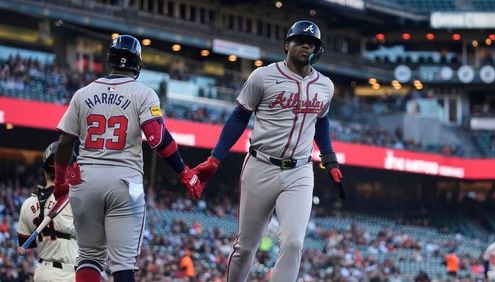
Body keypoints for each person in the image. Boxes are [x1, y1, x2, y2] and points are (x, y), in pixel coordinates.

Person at [193, 20, 345, 282]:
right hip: (260, 166)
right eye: (300, 40)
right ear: (287, 44)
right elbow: (239, 117)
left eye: (312, 43)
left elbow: (321, 121)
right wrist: (215, 158)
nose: (306, 45)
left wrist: (329, 158)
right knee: (246, 247)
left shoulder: (325, 86)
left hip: (299, 170)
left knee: (294, 243)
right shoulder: (262, 76)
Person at [53, 34, 203, 282]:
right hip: (124, 183)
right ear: (138, 64)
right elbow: (158, 139)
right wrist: (184, 172)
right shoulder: (143, 93)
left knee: (89, 257)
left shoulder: (83, 93)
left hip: (85, 181)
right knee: (123, 263)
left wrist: (60, 183)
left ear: (109, 59)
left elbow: (65, 143)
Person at [16, 141, 77, 282]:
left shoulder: (28, 203)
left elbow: (26, 242)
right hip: (69, 274)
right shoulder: (76, 199)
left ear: (45, 169)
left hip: (43, 272)